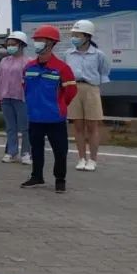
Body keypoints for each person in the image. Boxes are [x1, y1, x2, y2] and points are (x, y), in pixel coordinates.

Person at [22, 25, 78, 192]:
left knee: (60, 151)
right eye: (36, 40)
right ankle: (36, 176)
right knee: (36, 149)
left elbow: (71, 91)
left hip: (55, 118)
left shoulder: (62, 68)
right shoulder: (29, 67)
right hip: (35, 117)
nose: (37, 43)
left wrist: (58, 105)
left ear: (52, 43)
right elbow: (25, 88)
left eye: (41, 40)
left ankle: (60, 179)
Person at [65, 19, 111, 172]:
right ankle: (81, 158)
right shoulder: (68, 54)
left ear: (87, 36)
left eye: (77, 35)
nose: (74, 38)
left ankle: (93, 159)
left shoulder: (98, 54)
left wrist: (95, 87)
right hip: (73, 88)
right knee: (77, 126)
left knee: (92, 126)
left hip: (91, 89)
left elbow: (104, 71)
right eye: (73, 35)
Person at [0, 31, 31, 165]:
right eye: (8, 44)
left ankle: (26, 153)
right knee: (10, 127)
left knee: (25, 127)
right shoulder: (4, 61)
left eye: (13, 44)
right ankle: (12, 152)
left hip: (21, 98)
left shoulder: (28, 62)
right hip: (6, 97)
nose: (10, 47)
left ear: (21, 45)